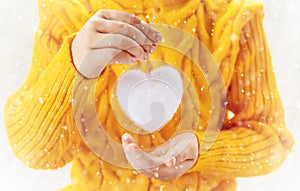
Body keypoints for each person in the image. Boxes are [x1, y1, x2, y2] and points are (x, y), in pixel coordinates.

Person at [4, 0, 294, 190]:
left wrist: (200, 150)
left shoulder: (231, 13)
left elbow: (272, 138)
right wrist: (75, 64)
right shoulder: (69, 12)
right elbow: (35, 153)